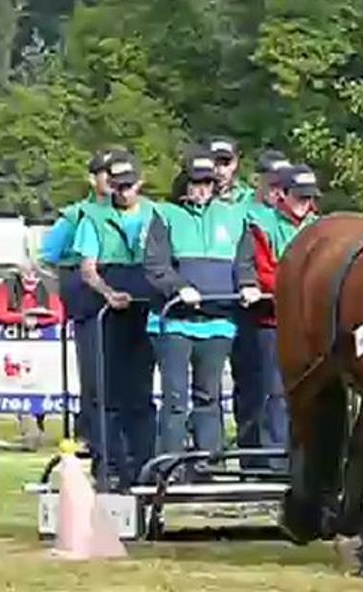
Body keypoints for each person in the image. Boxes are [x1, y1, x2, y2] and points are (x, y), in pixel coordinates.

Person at [143, 148, 262, 468]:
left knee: (209, 397)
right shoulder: (165, 215)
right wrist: (179, 287)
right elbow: (155, 265)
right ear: (184, 183)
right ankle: (169, 466)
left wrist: (248, 285)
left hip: (218, 322)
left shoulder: (234, 216)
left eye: (207, 183)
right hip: (174, 323)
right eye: (195, 183)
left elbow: (244, 263)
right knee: (175, 399)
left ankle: (209, 465)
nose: (201, 189)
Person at [73, 151, 158, 490]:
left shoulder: (157, 214)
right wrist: (108, 293)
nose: (123, 193)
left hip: (147, 309)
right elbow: (87, 269)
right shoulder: (93, 218)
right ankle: (109, 465)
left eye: (129, 186)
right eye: (118, 186)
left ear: (140, 183)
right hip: (109, 312)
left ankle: (144, 463)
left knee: (141, 391)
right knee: (108, 392)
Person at [236, 163, 320, 470]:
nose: (305, 203)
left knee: (312, 392)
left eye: (309, 197)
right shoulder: (260, 224)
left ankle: (309, 459)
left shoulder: (320, 226)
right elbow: (259, 269)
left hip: (312, 324)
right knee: (274, 391)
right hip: (273, 321)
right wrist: (299, 287)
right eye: (299, 196)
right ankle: (274, 461)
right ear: (281, 194)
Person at [37, 149, 113, 448]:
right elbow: (45, 260)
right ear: (93, 178)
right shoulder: (75, 216)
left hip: (127, 302)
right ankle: (93, 436)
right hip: (89, 305)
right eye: (106, 173)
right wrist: (65, 292)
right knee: (95, 376)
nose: (113, 179)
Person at [0, 262, 66, 449]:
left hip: (43, 350)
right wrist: (22, 318)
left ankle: (39, 426)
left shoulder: (49, 288)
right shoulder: (7, 287)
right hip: (16, 347)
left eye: (35, 275)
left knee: (41, 386)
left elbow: (58, 315)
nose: (31, 279)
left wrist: (38, 320)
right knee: (20, 387)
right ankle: (29, 431)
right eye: (27, 275)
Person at [208, 136, 252, 205]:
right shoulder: (194, 201)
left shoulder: (248, 199)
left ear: (236, 162)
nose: (221, 171)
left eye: (226, 164)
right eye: (215, 164)